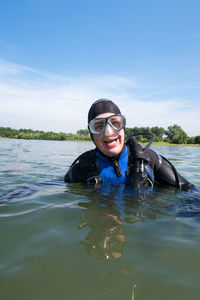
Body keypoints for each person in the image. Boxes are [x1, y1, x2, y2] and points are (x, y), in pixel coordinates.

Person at [64, 98, 194, 191]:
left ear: (124, 128)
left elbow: (189, 190)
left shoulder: (148, 158)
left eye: (115, 123)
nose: (109, 133)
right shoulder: (82, 167)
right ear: (91, 134)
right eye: (98, 126)